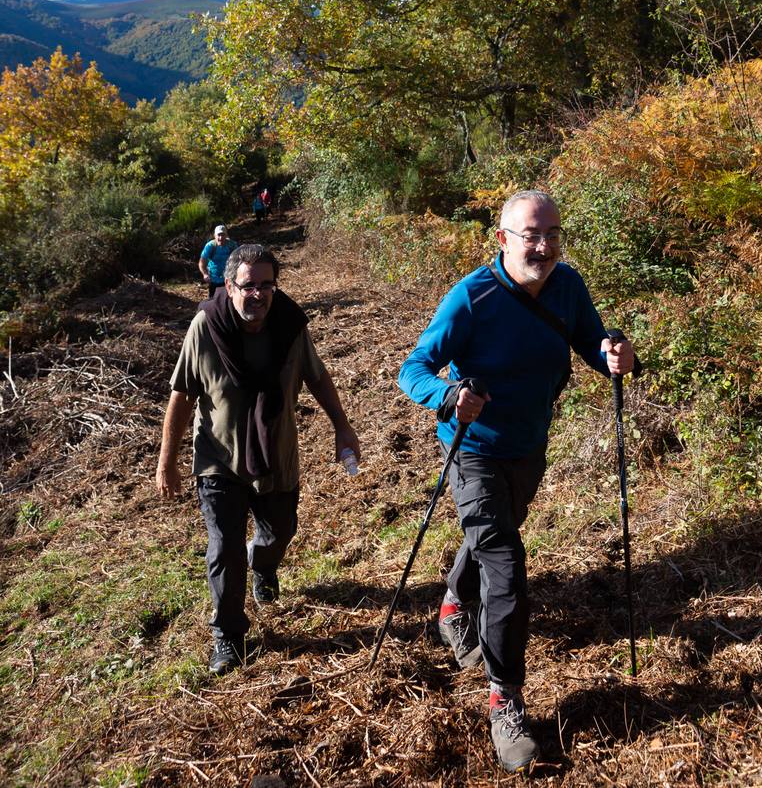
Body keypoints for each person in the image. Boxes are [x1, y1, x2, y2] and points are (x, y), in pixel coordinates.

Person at [398, 190, 637, 773]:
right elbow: (414, 369)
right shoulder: (472, 298)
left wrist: (614, 355)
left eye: (552, 232)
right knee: (505, 565)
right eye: (530, 234)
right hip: (472, 449)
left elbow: (589, 338)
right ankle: (506, 701)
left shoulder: (567, 285)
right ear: (502, 239)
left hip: (529, 445)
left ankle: (453, 607)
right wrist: (449, 397)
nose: (543, 244)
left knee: (492, 538)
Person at [156, 242, 361, 674]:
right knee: (225, 548)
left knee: (280, 531)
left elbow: (317, 378)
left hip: (277, 452)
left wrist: (342, 426)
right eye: (249, 286)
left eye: (268, 285)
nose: (259, 295)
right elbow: (181, 396)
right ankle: (228, 637)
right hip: (218, 457)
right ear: (229, 285)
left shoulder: (289, 325)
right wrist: (166, 461)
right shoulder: (205, 327)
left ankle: (263, 565)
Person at [198, 224, 238, 296]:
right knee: (213, 300)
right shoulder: (210, 246)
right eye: (218, 235)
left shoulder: (232, 245)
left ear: (226, 235)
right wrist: (205, 274)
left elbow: (238, 260)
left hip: (228, 279)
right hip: (213, 279)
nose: (221, 237)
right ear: (214, 235)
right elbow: (202, 262)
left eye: (223, 235)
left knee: (228, 301)